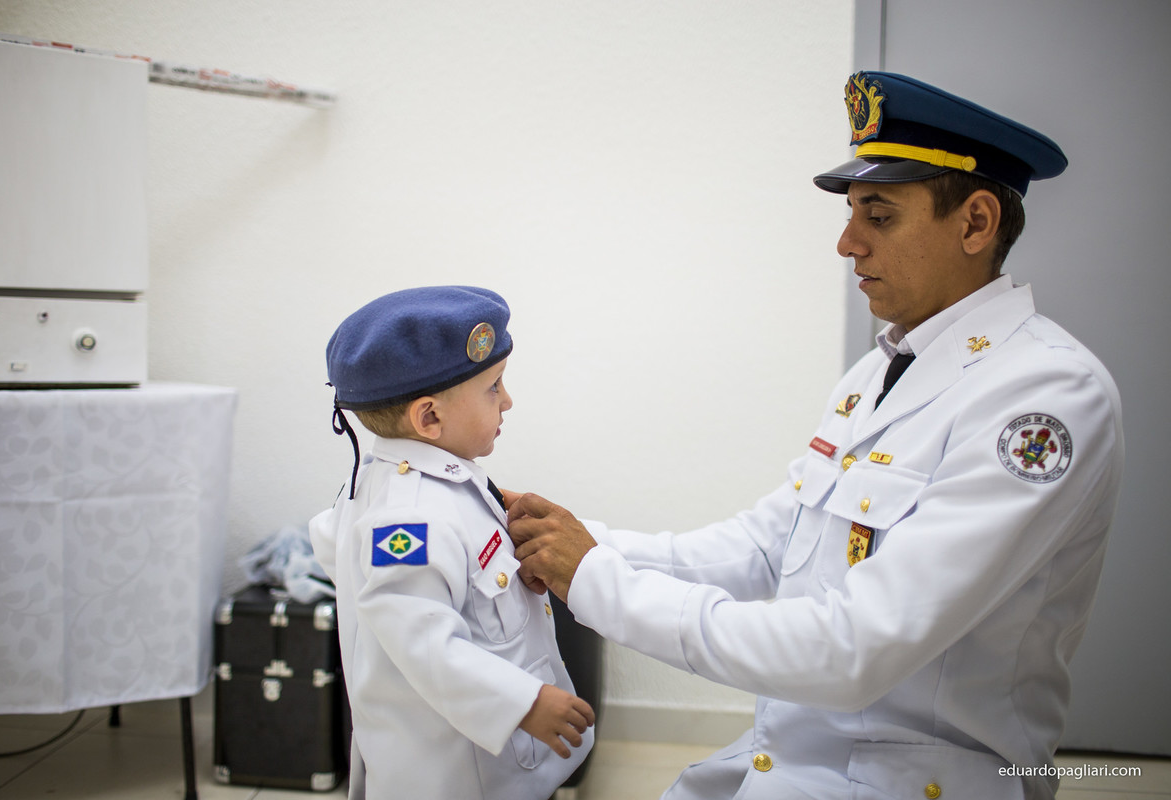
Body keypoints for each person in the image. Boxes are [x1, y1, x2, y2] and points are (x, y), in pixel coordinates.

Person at [507, 72, 1124, 800]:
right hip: (796, 754)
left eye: (880, 215)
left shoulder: (1045, 397)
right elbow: (766, 546)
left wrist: (598, 583)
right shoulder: (882, 368)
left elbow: (855, 647)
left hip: (921, 777)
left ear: (975, 222)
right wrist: (575, 538)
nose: (846, 242)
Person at [309, 285, 595, 800]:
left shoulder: (437, 483)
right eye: (493, 388)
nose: (508, 401)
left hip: (493, 758)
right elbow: (423, 643)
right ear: (429, 419)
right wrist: (522, 702)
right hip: (455, 775)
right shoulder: (408, 517)